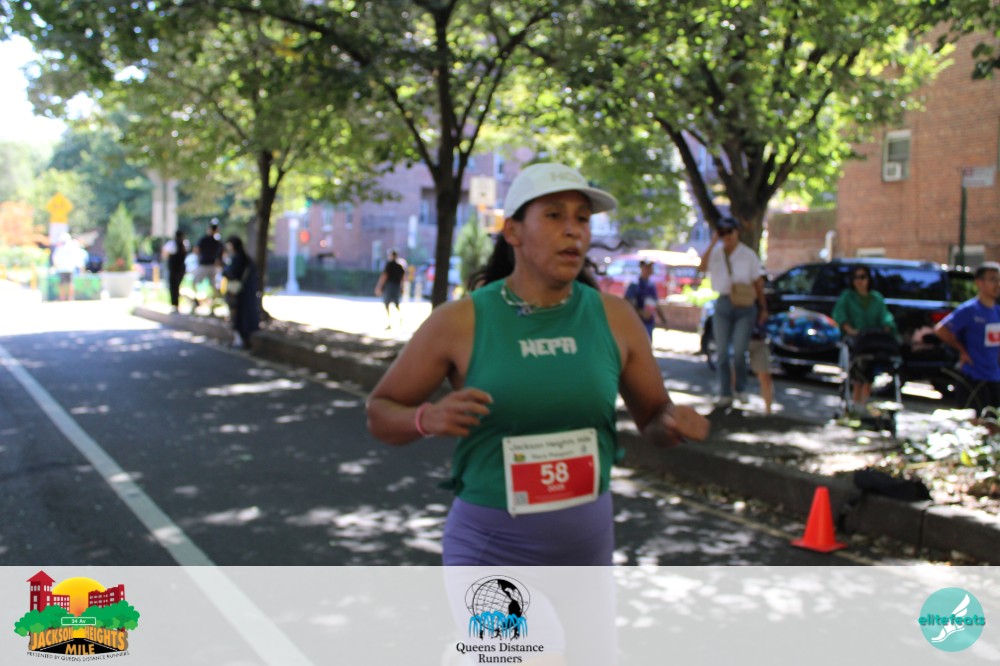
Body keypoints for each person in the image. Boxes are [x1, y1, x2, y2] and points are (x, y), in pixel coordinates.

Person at [365, 163, 709, 566]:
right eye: (554, 215)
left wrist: (673, 423)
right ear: (513, 232)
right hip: (491, 556)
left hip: (587, 555)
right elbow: (379, 413)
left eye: (582, 219)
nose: (573, 230)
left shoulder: (615, 318)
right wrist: (426, 419)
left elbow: (653, 418)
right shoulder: (460, 321)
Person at [699, 216, 767, 407]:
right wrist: (713, 243)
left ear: (737, 232)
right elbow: (701, 268)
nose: (726, 236)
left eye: (730, 231)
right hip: (723, 303)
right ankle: (725, 393)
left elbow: (758, 283)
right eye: (723, 232)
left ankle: (741, 389)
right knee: (721, 352)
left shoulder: (748, 255)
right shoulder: (716, 252)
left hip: (745, 305)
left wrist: (763, 308)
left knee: (739, 351)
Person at [934, 261, 1000, 413]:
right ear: (979, 282)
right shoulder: (969, 310)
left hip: (995, 376)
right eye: (992, 279)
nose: (997, 284)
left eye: (999, 280)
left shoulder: (997, 311)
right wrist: (962, 351)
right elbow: (941, 330)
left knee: (994, 420)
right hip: (973, 376)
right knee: (974, 420)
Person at [831, 265, 897, 409]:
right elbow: (839, 315)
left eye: (863, 277)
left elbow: (886, 317)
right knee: (857, 370)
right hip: (855, 340)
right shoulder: (847, 297)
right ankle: (855, 406)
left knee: (870, 369)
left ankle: (864, 405)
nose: (859, 281)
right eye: (856, 277)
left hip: (872, 340)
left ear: (868, 279)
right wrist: (850, 330)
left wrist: (886, 326)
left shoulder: (876, 298)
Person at [222, 236, 260, 349]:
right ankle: (241, 341)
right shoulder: (246, 258)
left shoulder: (237, 258)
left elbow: (232, 273)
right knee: (243, 316)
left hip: (239, 292)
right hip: (246, 292)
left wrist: (225, 269)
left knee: (237, 316)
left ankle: (240, 341)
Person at [191, 222, 223, 314]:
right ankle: (212, 306)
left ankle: (197, 302)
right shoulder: (217, 242)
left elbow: (196, 250)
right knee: (213, 287)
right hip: (212, 266)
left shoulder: (206, 240)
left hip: (205, 265)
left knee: (195, 282)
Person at [625, 259, 658, 341]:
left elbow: (655, 303)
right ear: (642, 268)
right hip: (637, 322)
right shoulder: (634, 285)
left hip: (649, 322)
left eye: (650, 267)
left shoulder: (651, 285)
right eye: (647, 267)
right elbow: (627, 302)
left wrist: (663, 319)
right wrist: (640, 312)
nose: (649, 269)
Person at [50, 233, 88, 301]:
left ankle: (63, 297)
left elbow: (55, 258)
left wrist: (56, 266)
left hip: (62, 268)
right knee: (70, 283)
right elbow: (77, 257)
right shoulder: (71, 247)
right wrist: (80, 266)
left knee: (62, 283)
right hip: (70, 268)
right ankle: (70, 297)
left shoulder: (60, 248)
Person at [374, 249, 407, 329]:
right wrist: (402, 287)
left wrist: (379, 286)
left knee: (387, 304)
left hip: (389, 286)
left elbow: (384, 276)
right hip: (397, 286)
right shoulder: (400, 266)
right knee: (396, 304)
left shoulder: (389, 265)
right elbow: (403, 278)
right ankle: (399, 318)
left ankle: (389, 322)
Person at [748, 323, 774, 415]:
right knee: (732, 374)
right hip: (735, 339)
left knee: (765, 377)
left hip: (758, 340)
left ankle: (768, 412)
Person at [161, 229, 188, 312]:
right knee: (177, 286)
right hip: (181, 269)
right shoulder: (185, 244)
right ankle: (176, 304)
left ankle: (175, 304)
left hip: (174, 269)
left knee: (173, 287)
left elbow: (164, 254)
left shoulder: (172, 244)